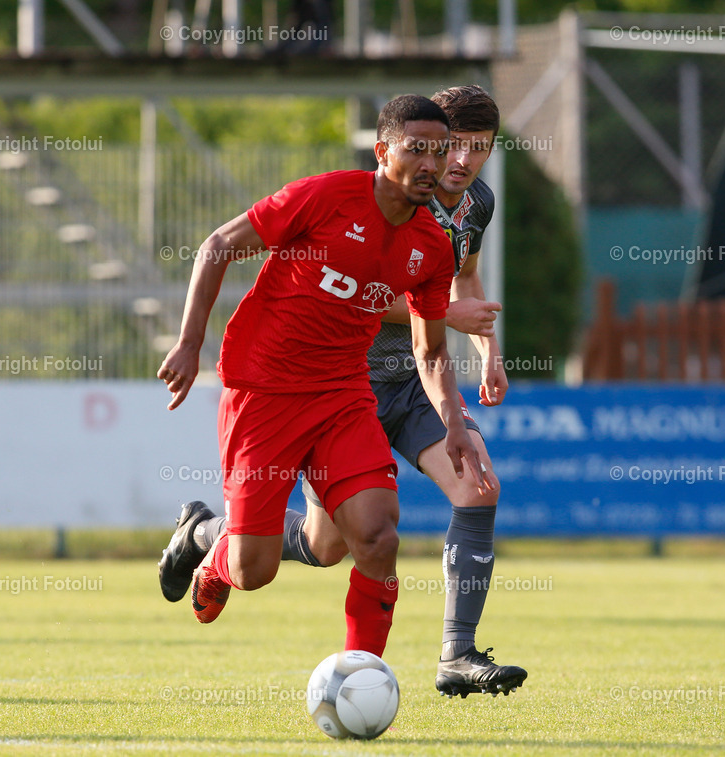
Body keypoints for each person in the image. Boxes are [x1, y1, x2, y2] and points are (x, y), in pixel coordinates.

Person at [160, 85, 526, 697]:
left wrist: (459, 419)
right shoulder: (327, 196)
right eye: (427, 149)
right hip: (267, 390)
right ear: (383, 151)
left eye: (459, 151)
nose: (442, 164)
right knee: (268, 565)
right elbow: (221, 245)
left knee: (381, 535)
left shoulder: (441, 236)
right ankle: (210, 544)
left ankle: (369, 680)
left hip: (346, 391)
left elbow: (431, 345)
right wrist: (190, 342)